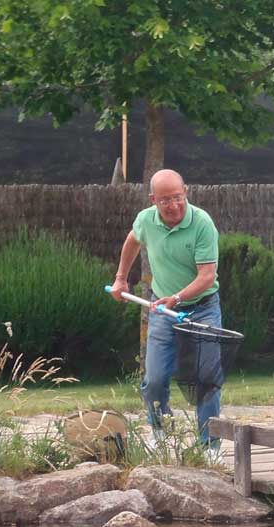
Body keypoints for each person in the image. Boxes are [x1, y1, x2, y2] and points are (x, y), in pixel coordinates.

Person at [110, 169, 223, 447]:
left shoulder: (202, 223)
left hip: (203, 307)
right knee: (155, 380)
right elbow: (132, 241)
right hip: (163, 309)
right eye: (165, 200)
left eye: (178, 197)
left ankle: (210, 445)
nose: (173, 205)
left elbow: (207, 276)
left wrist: (177, 297)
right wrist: (121, 278)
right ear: (153, 200)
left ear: (185, 191)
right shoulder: (145, 221)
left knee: (207, 379)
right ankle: (162, 433)